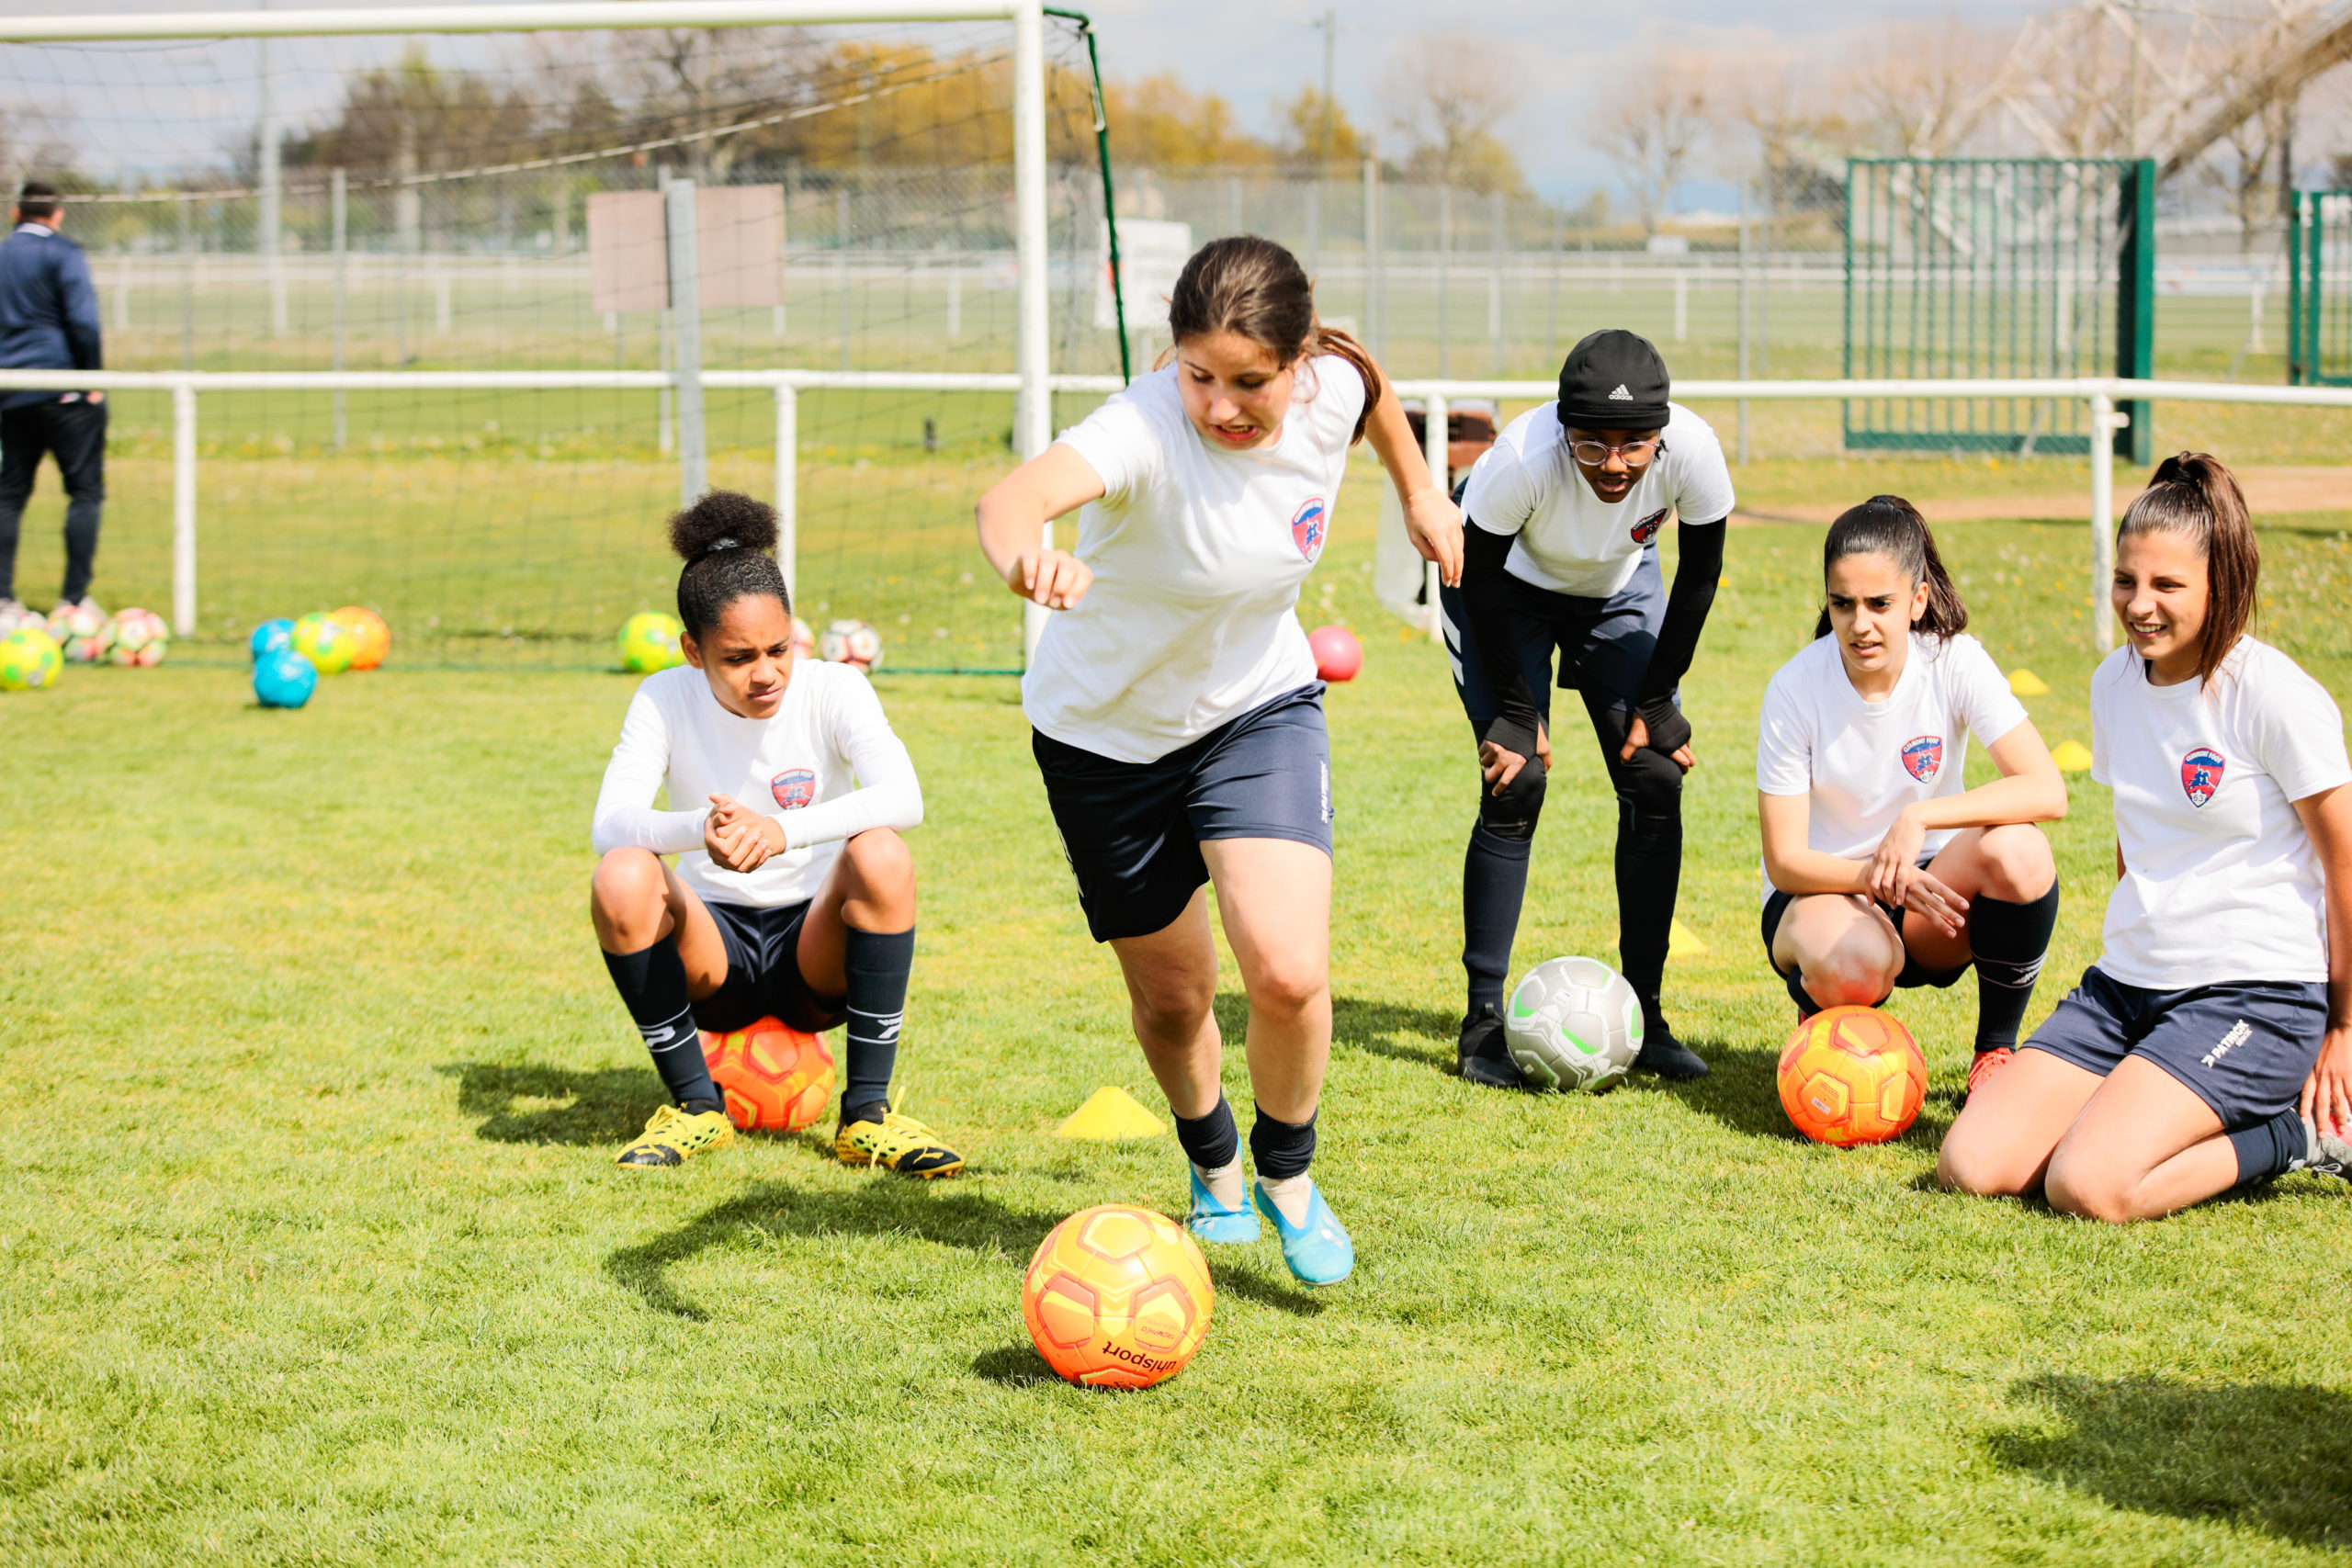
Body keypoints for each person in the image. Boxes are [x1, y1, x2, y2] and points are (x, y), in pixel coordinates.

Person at [973, 235, 1461, 1286]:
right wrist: (1028, 556)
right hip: (1102, 737)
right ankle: (1214, 1165)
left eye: (1250, 382)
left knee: (1286, 971)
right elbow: (1006, 502)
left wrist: (1419, 489)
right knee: (1174, 997)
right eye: (1199, 375)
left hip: (1256, 709)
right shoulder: (1142, 428)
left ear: (1295, 364)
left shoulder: (1330, 385)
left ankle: (1287, 1176)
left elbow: (1369, 384)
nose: (1221, 406)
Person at [1940, 455, 2352, 1222]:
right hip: (2127, 987)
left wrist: (2346, 1026)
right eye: (2127, 581)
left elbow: (2345, 863)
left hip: (2255, 995)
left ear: (2219, 585)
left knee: (2087, 1184)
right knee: (1971, 1162)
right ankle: (2143, 1089)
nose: (2140, 604)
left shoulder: (2274, 695)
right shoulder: (2113, 684)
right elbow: (2140, 840)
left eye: (2168, 586)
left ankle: (2296, 1136)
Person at [588, 490, 961, 1175]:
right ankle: (698, 1107)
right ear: (693, 652)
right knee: (621, 873)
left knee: (882, 850)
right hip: (714, 955)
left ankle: (867, 1116)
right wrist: (700, 828)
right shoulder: (663, 697)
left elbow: (904, 797)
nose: (766, 672)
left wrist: (782, 832)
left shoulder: (835, 689)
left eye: (778, 647)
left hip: (815, 955)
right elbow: (609, 823)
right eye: (738, 657)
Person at [1445, 329, 1731, 1088]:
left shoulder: (1695, 452)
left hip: (1616, 588)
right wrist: (1514, 707)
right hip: (1500, 588)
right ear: (1564, 426)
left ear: (1661, 434)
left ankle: (1648, 1013)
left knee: (1655, 775)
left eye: (1635, 444)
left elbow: (1701, 575)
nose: (1615, 463)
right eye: (1592, 443)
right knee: (1517, 779)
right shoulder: (1518, 461)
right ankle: (1481, 1023)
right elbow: (1478, 581)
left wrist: (1661, 696)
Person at [1756, 496, 2067, 1096]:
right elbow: (1785, 861)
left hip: (1929, 897)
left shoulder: (1953, 660)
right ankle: (1830, 1010)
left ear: (1917, 600)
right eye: (1841, 603)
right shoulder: (1795, 688)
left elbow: (2046, 788)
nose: (1860, 623)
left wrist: (1920, 816)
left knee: (2022, 851)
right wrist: (1873, 875)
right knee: (1854, 963)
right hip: (1822, 891)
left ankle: (1995, 1053)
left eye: (1880, 603)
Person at [0, 180, 106, 626]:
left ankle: (4, 601)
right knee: (84, 491)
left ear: (16, 213)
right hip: (63, 388)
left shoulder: (3, 254)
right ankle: (73, 602)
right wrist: (91, 376)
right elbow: (83, 321)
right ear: (57, 214)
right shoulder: (64, 254)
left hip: (9, 389)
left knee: (9, 493)